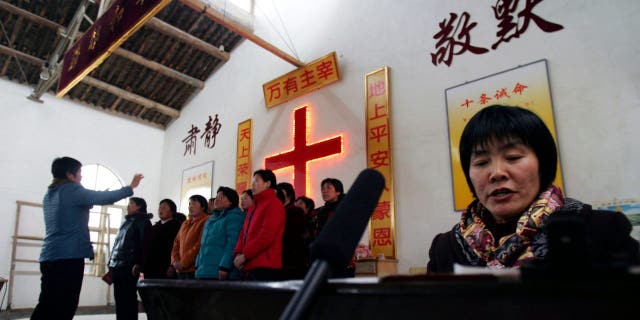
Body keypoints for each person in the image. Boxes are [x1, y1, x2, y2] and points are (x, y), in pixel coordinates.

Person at [427, 105, 640, 273]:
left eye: (513, 157)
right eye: (482, 162)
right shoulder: (446, 248)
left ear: (543, 163)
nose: (496, 173)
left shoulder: (602, 229)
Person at [32, 157, 143, 320]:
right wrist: (130, 187)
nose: (81, 177)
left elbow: (74, 208)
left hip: (49, 257)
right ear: (70, 175)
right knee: (65, 305)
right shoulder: (71, 190)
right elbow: (102, 198)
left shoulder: (49, 195)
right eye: (79, 173)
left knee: (47, 304)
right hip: (68, 258)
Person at [233, 169, 286, 280]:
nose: (253, 183)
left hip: (266, 265)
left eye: (257, 180)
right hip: (249, 264)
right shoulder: (253, 206)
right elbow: (243, 232)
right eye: (253, 180)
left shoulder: (274, 204)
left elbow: (267, 236)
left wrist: (245, 255)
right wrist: (238, 253)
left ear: (267, 184)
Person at [109, 197, 152, 320]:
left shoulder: (143, 221)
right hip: (117, 265)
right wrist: (111, 260)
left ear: (139, 206)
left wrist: (139, 263)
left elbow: (144, 245)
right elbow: (117, 243)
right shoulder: (126, 222)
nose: (128, 206)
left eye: (131, 204)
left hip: (130, 266)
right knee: (119, 297)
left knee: (128, 298)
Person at [195, 187, 246, 280]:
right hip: (203, 271)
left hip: (220, 271)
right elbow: (203, 245)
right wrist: (197, 265)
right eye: (217, 197)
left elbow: (232, 244)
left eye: (221, 197)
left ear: (231, 201)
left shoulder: (235, 217)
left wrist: (225, 266)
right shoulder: (211, 219)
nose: (217, 200)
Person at [141, 199, 185, 279]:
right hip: (150, 268)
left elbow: (178, 248)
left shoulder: (177, 227)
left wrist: (172, 266)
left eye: (164, 207)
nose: (160, 209)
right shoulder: (154, 228)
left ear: (172, 211)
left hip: (165, 268)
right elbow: (146, 247)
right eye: (160, 207)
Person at [171, 195, 209, 279]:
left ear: (203, 207)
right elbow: (176, 243)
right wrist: (174, 261)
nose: (190, 207)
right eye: (189, 204)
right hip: (179, 269)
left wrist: (184, 262)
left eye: (194, 204)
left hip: (194, 268)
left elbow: (200, 244)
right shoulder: (185, 223)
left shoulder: (206, 221)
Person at [276, 182, 308, 280]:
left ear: (289, 195)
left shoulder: (295, 211)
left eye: (281, 192)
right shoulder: (279, 211)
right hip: (281, 259)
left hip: (292, 260)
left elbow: (293, 237)